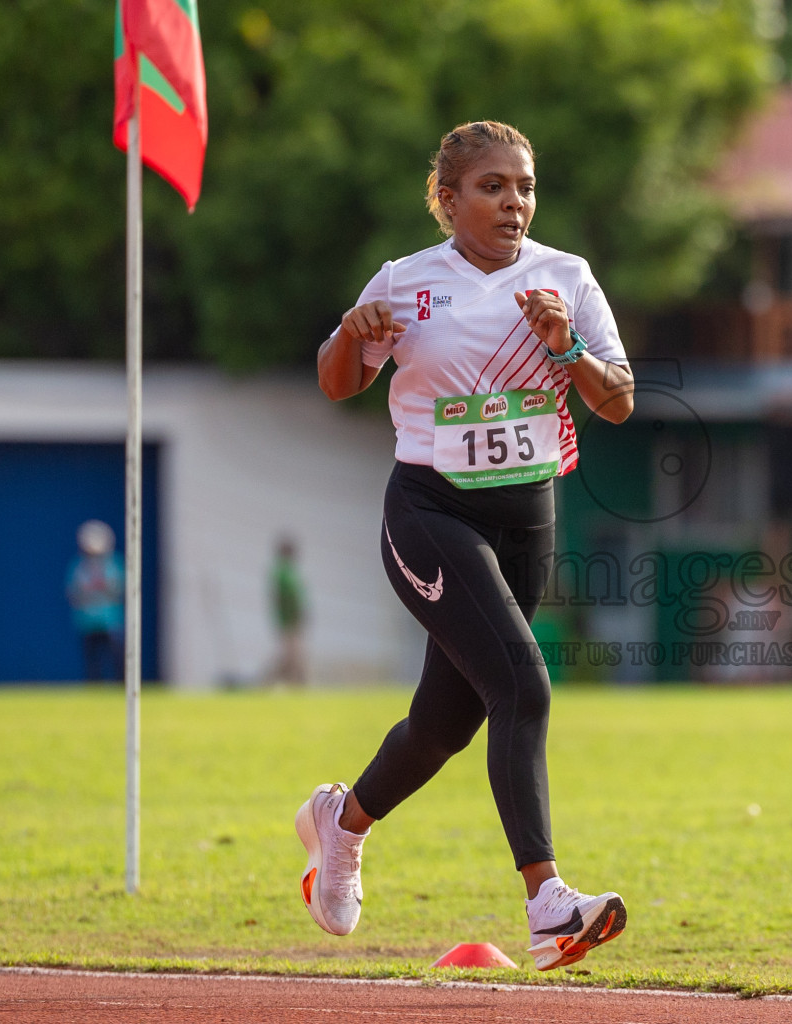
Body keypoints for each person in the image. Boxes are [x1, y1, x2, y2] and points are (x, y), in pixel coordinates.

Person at [296, 121, 636, 971]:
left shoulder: (567, 278)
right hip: (429, 512)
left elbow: (620, 400)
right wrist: (350, 330)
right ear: (447, 201)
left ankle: (341, 824)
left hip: (528, 519)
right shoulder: (406, 283)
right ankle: (548, 904)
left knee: (443, 724)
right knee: (523, 682)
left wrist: (569, 345)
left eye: (523, 186)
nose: (513, 202)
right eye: (491, 187)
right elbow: (338, 384)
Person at [66, 519, 124, 682]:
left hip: (110, 620)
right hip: (87, 621)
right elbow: (73, 591)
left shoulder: (114, 564)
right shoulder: (78, 566)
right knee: (92, 660)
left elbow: (119, 588)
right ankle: (94, 688)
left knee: (117, 657)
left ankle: (121, 685)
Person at [270, 536, 308, 684]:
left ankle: (296, 685)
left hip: (291, 621)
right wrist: (294, 616)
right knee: (290, 657)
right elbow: (287, 597)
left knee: (293, 657)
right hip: (289, 621)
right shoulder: (283, 573)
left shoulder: (288, 571)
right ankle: (267, 684)